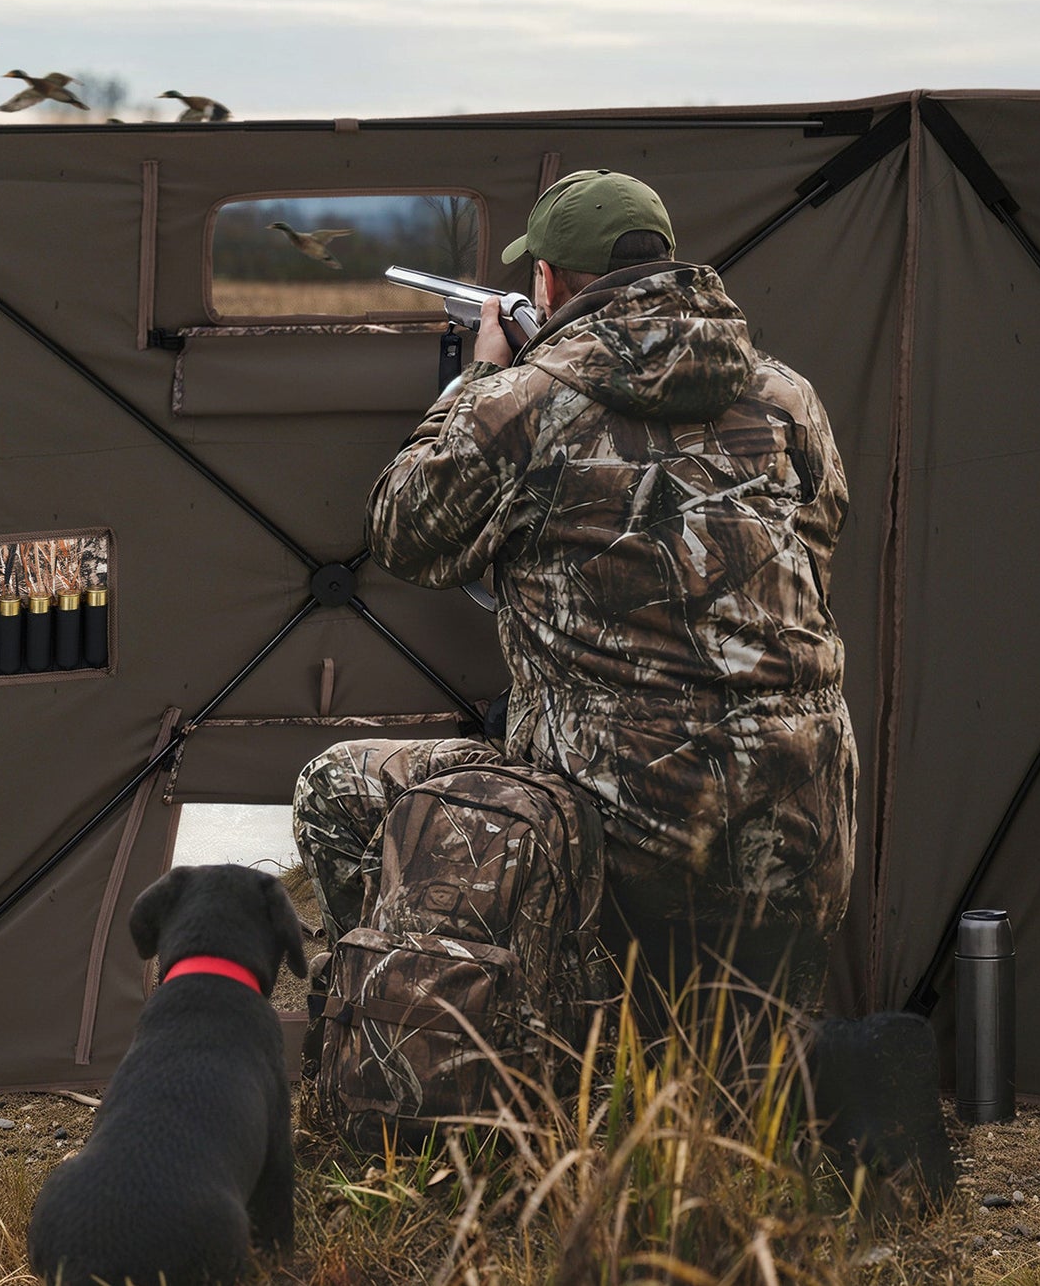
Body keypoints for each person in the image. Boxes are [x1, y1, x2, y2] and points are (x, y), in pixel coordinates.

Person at [293, 169, 857, 1010]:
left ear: (548, 281)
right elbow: (817, 541)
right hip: (803, 823)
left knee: (335, 785)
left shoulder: (524, 401)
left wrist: (481, 380)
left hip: (623, 837)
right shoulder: (788, 397)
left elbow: (405, 532)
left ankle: (423, 1043)